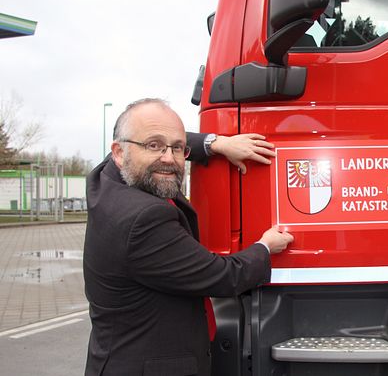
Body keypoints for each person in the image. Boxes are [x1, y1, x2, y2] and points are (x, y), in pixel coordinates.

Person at [84, 98, 293, 376]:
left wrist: (215, 144)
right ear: (119, 152)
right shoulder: (144, 220)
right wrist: (265, 247)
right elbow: (223, 276)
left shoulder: (106, 177)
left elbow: (159, 139)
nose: (169, 158)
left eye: (178, 147)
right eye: (154, 146)